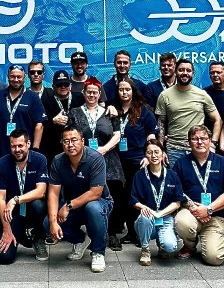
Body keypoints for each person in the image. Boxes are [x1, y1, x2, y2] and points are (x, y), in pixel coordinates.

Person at [45, 126, 113, 272]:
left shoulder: (95, 158)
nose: (70, 144)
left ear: (82, 141)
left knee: (93, 208)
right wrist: (52, 222)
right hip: (73, 205)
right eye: (66, 141)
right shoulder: (58, 161)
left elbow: (95, 193)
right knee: (47, 224)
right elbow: (53, 194)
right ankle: (80, 239)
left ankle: (98, 252)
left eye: (74, 140)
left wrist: (68, 206)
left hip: (99, 203)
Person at [67, 77, 123, 250]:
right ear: (83, 93)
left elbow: (117, 134)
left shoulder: (109, 112)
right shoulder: (74, 112)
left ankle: (111, 233)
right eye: (88, 92)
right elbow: (70, 135)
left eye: (95, 92)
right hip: (83, 161)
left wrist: (104, 149)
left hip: (108, 159)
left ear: (100, 94)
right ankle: (88, 233)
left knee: (112, 194)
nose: (91, 95)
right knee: (88, 197)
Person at [173, 127, 224, 265]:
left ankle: (219, 242)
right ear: (189, 142)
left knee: (215, 259)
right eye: (194, 139)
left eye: (204, 138)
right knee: (182, 222)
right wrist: (194, 208)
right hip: (190, 213)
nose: (199, 142)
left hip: (216, 215)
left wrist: (209, 209)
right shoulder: (181, 163)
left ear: (210, 141)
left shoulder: (223, 162)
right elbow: (177, 191)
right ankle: (189, 246)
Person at [0, 129, 49, 263]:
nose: (17, 150)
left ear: (28, 144)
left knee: (39, 205)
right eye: (13, 146)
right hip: (12, 215)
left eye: (20, 145)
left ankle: (38, 237)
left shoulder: (40, 159)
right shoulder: (1, 164)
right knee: (4, 258)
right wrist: (6, 230)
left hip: (32, 211)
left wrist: (15, 200)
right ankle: (17, 234)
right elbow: (0, 199)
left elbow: (41, 191)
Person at [111, 77, 157, 242]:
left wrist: (148, 155)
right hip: (115, 160)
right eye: (121, 89)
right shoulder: (112, 109)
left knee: (134, 195)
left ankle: (134, 232)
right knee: (117, 196)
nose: (124, 92)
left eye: (127, 89)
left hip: (137, 160)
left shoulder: (144, 110)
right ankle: (113, 231)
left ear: (133, 91)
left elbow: (152, 134)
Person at [129, 139, 184, 266]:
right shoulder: (139, 175)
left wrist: (160, 213)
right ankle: (145, 249)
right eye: (149, 152)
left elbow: (177, 202)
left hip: (166, 218)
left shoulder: (172, 175)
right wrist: (147, 210)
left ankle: (162, 244)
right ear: (145, 155)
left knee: (170, 247)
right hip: (147, 218)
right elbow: (134, 200)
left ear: (163, 154)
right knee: (145, 216)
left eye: (156, 152)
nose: (153, 155)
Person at [154, 58, 220, 157]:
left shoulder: (202, 94)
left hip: (198, 147)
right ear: (175, 72)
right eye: (181, 70)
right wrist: (161, 149)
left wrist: (213, 144)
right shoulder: (164, 95)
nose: (185, 73)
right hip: (174, 149)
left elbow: (218, 120)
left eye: (188, 70)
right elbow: (161, 123)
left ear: (193, 73)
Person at [0, 64, 46, 156]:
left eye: (19, 77)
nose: (16, 79)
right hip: (1, 150)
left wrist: (35, 149)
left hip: (24, 150)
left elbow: (39, 125)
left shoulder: (32, 97)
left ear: (24, 78)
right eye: (12, 76)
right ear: (8, 77)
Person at [41, 70, 85, 162]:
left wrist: (110, 107)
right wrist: (53, 121)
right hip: (54, 147)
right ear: (53, 87)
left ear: (70, 85)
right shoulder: (46, 101)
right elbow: (40, 125)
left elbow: (93, 108)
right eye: (59, 85)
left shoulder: (80, 98)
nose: (63, 87)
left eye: (66, 84)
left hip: (76, 146)